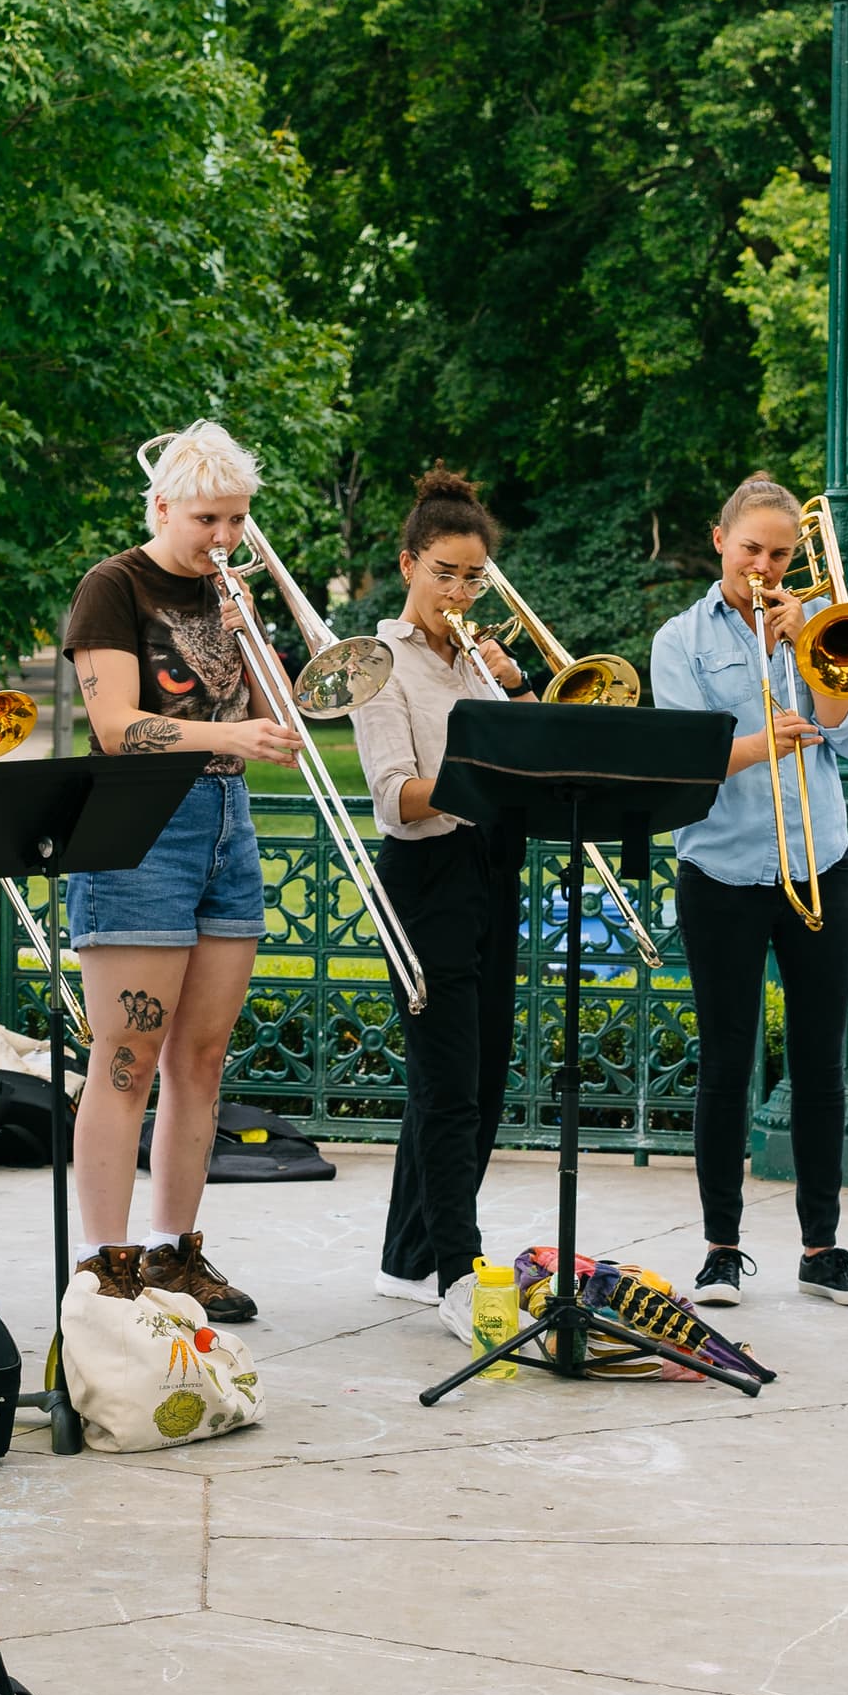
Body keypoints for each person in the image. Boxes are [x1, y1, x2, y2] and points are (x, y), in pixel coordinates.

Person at [56, 422, 302, 1320]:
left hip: (226, 822)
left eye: (238, 521)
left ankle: (173, 1252)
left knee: (202, 1058)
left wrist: (252, 640)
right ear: (162, 505)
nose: (226, 540)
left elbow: (286, 716)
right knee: (127, 1056)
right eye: (209, 519)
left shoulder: (228, 589)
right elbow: (119, 727)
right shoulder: (112, 586)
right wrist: (226, 735)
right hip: (140, 824)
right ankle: (104, 1260)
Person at [648, 476, 848, 1311]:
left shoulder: (813, 625)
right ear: (720, 541)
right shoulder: (679, 639)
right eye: (751, 547)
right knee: (726, 1063)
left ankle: (822, 1248)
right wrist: (764, 741)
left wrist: (811, 644)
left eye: (781, 553)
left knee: (820, 1065)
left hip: (823, 861)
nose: (765, 565)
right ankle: (722, 1250)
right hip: (721, 871)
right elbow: (687, 757)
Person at [347, 469, 534, 1304]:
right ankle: (460, 1267)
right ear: (408, 564)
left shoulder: (477, 664)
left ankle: (408, 1257)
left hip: (493, 866)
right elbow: (396, 797)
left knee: (484, 1075)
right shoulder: (378, 664)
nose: (457, 591)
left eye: (473, 577)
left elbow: (531, 765)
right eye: (443, 573)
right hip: (426, 874)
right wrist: (478, 772)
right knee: (448, 1081)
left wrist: (514, 691)